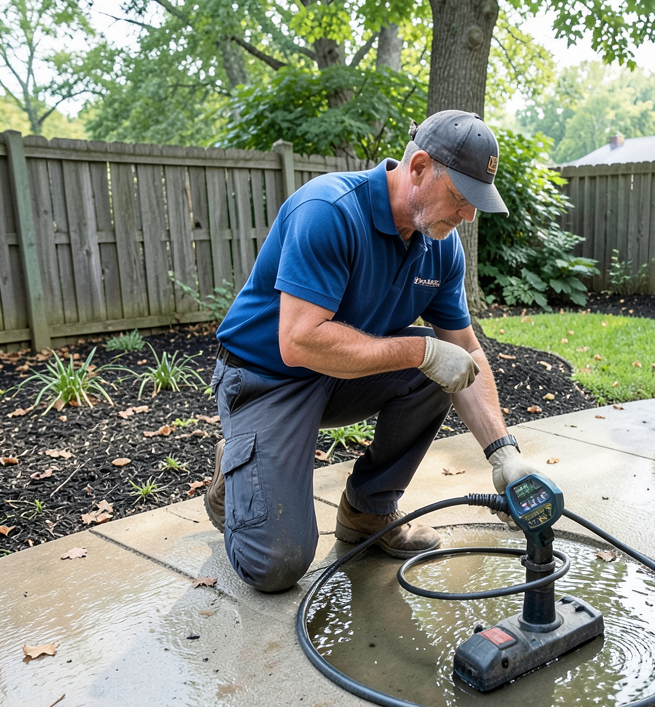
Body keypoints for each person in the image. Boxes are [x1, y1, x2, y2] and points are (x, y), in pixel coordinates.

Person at [203, 111, 541, 592]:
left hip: (343, 374)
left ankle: (368, 510)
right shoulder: (329, 209)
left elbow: (464, 350)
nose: (469, 215)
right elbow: (298, 341)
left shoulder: (441, 246)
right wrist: (418, 353)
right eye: (462, 198)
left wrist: (504, 454)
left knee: (442, 359)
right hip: (266, 381)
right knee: (276, 566)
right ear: (420, 167)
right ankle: (236, 464)